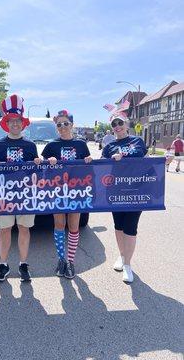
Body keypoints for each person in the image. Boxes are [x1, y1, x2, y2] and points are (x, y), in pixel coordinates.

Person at [0, 94, 41, 283]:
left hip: (25, 195)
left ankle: (23, 264)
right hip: (4, 196)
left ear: (23, 123)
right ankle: (3, 265)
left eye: (18, 121)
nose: (15, 124)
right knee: (5, 229)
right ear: (7, 123)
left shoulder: (30, 146)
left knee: (24, 228)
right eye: (12, 121)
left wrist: (37, 164)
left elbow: (37, 175)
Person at [41, 110, 92, 279]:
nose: (62, 127)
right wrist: (48, 162)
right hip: (57, 191)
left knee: (74, 227)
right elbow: (42, 169)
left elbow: (88, 169)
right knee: (59, 226)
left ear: (72, 125)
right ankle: (61, 260)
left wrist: (88, 161)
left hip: (76, 191)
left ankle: (70, 261)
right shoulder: (51, 146)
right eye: (59, 125)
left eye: (65, 124)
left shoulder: (81, 145)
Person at [102, 113, 147, 284]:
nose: (117, 126)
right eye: (114, 124)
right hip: (115, 191)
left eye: (120, 122)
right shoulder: (109, 146)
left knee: (130, 227)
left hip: (136, 191)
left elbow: (147, 161)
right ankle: (122, 256)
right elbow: (102, 167)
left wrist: (164, 161)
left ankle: (128, 265)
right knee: (119, 226)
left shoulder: (138, 142)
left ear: (127, 125)